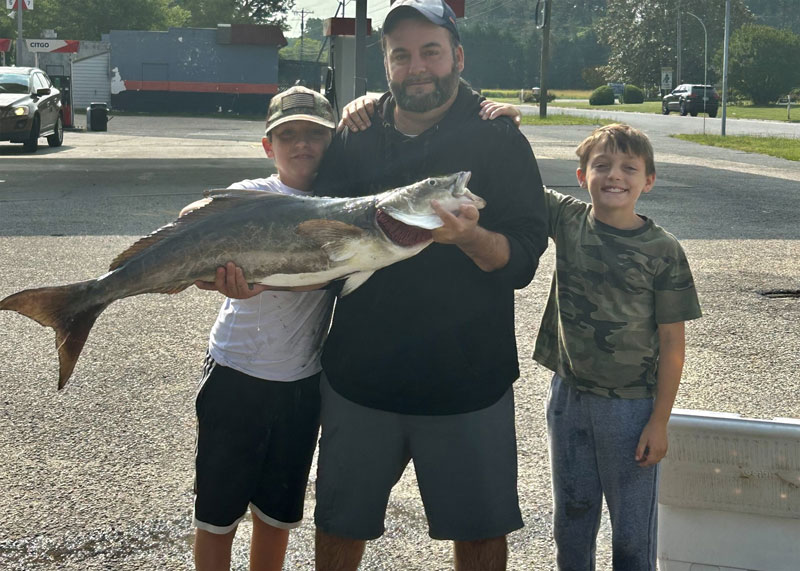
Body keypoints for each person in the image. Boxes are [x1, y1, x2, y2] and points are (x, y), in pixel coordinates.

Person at [309, 1, 548, 569]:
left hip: (469, 382)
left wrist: (469, 238)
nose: (417, 66)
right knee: (340, 528)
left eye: (431, 52)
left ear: (457, 56)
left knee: (482, 534)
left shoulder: (498, 137)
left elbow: (523, 261)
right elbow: (319, 246)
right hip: (359, 379)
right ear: (386, 66)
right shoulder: (356, 135)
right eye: (402, 55)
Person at [533, 123, 702, 569]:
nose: (614, 176)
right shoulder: (567, 220)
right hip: (569, 398)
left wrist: (659, 422)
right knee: (570, 527)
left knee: (631, 539)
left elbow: (673, 344)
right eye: (601, 165)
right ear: (580, 174)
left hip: (631, 410)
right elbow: (513, 176)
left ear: (648, 180)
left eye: (629, 167)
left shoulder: (663, 251)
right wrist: (500, 120)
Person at [187, 85, 336, 571]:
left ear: (332, 141)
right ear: (268, 146)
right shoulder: (254, 196)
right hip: (236, 374)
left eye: (314, 133)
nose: (302, 145)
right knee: (217, 515)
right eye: (287, 135)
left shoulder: (343, 203)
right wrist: (216, 279)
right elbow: (192, 225)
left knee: (277, 515)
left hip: (302, 381)